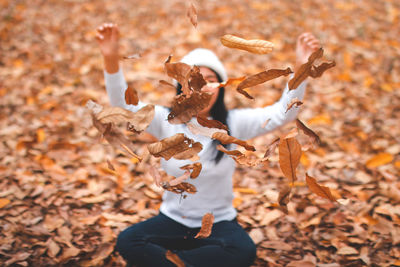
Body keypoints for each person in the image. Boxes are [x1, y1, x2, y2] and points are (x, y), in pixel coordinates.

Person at [96, 22, 321, 267]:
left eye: (210, 80)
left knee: (242, 251)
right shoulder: (165, 120)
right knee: (129, 241)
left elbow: (282, 114)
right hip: (172, 222)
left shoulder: (234, 123)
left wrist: (302, 68)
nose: (202, 86)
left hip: (219, 224)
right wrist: (110, 59)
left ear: (219, 88)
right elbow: (123, 106)